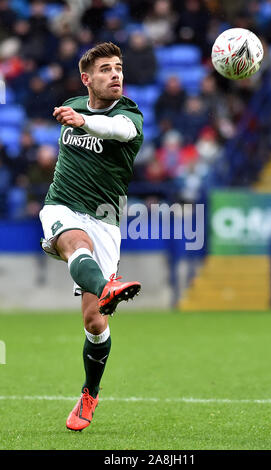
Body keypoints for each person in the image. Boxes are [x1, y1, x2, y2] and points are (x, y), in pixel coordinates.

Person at [39, 42, 144, 431]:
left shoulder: (130, 115)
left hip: (106, 222)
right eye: (105, 69)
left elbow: (117, 130)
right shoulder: (72, 103)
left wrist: (83, 122)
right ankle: (108, 286)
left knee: (94, 324)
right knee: (75, 244)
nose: (115, 74)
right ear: (87, 79)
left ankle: (89, 394)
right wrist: (77, 119)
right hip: (61, 206)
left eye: (118, 68)